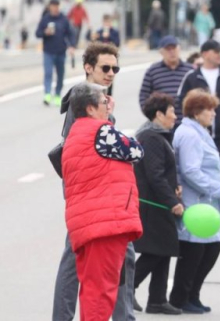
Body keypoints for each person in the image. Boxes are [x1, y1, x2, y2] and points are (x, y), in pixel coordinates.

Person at [53, 42, 138, 321]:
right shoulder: (84, 100)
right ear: (88, 68)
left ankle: (120, 315)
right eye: (105, 67)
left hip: (98, 199)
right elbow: (76, 152)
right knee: (78, 261)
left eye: (115, 67)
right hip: (94, 200)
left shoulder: (98, 101)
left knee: (115, 259)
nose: (111, 72)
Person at [170, 89, 220, 314]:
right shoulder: (189, 134)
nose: (214, 114)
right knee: (194, 251)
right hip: (195, 201)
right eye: (210, 109)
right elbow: (191, 171)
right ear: (197, 112)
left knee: (211, 247)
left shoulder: (199, 132)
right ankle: (180, 297)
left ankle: (192, 294)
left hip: (206, 202)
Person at [133, 93, 183, 315]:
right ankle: (125, 288)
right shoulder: (151, 137)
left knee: (164, 249)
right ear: (159, 114)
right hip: (153, 205)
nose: (175, 116)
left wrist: (176, 186)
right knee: (155, 250)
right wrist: (173, 201)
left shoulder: (157, 135)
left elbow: (163, 171)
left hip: (158, 202)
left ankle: (157, 299)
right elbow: (155, 175)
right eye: (171, 111)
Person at [177, 40, 220, 185]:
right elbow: (181, 101)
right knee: (200, 173)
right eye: (216, 51)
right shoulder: (192, 77)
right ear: (205, 54)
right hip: (198, 136)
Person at [139, 35, 194, 120]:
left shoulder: (190, 70)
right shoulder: (153, 71)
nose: (172, 52)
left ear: (179, 49)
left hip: (186, 121)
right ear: (161, 52)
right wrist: (152, 116)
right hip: (162, 123)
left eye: (174, 48)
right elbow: (143, 96)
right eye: (168, 49)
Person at [36, 0, 75, 106]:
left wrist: (72, 46)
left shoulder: (64, 19)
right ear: (50, 7)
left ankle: (57, 94)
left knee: (60, 74)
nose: (54, 9)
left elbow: (70, 33)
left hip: (61, 51)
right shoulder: (45, 19)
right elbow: (37, 33)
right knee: (48, 73)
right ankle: (47, 94)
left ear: (59, 7)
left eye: (56, 6)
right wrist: (45, 32)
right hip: (48, 51)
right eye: (52, 7)